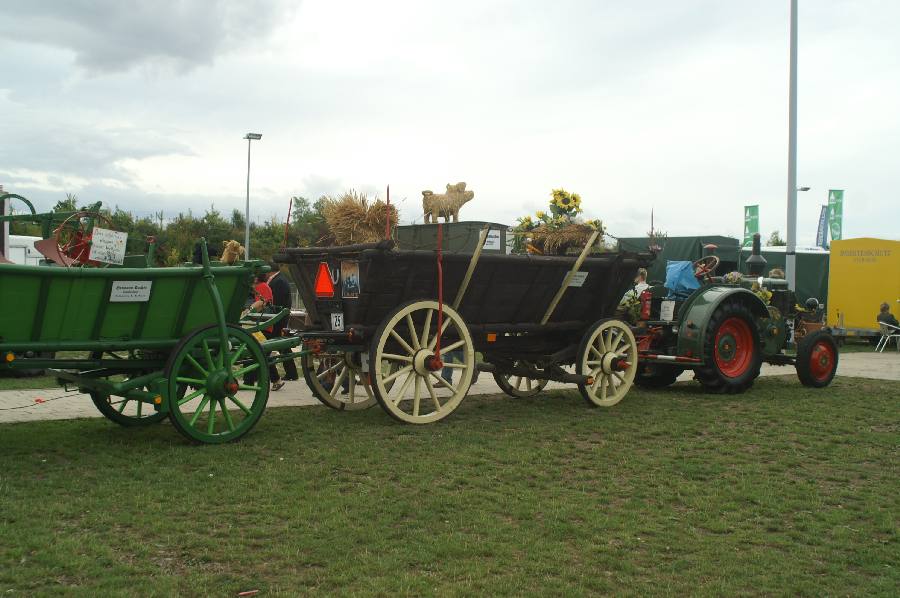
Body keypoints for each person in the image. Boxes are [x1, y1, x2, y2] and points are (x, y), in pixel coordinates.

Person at [245, 273, 284, 391]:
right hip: (263, 325)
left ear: (256, 277)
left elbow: (262, 303)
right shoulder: (263, 286)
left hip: (262, 325)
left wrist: (248, 310)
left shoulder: (261, 287)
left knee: (261, 354)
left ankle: (252, 381)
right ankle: (273, 380)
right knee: (262, 354)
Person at [267, 264, 299, 381]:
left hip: (278, 318)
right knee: (282, 346)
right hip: (279, 317)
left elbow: (277, 301)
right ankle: (291, 373)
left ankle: (290, 373)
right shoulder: (279, 279)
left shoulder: (278, 281)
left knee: (275, 345)